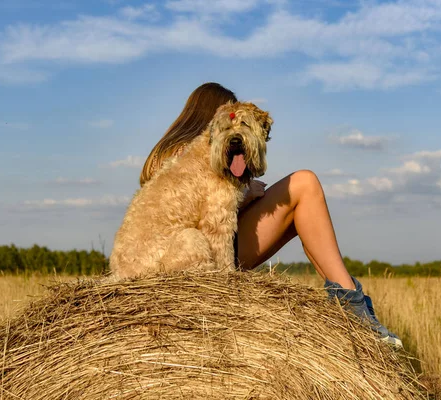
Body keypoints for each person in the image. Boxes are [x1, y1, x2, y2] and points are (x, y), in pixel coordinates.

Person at [140, 82, 402, 348]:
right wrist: (246, 194)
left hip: (200, 250)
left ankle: (346, 301)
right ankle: (353, 306)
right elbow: (201, 217)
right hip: (204, 255)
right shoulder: (188, 153)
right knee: (304, 185)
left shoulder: (168, 151)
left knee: (301, 212)